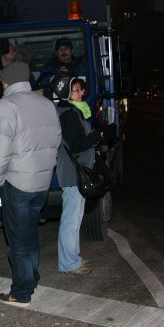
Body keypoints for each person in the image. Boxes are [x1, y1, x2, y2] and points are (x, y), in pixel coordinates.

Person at [0, 62, 61, 308]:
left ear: (6, 82)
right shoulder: (46, 103)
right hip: (41, 182)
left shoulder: (5, 106)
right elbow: (56, 140)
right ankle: (31, 278)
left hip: (17, 182)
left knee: (18, 241)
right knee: (30, 234)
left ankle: (21, 292)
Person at [52, 76, 109, 275]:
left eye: (81, 89)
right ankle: (68, 263)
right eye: (76, 90)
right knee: (71, 220)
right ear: (67, 93)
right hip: (73, 173)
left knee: (74, 219)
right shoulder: (68, 115)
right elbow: (77, 145)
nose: (82, 92)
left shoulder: (74, 112)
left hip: (75, 172)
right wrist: (98, 135)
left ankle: (72, 258)